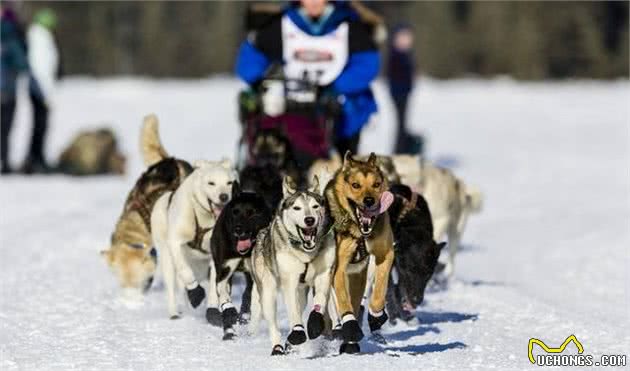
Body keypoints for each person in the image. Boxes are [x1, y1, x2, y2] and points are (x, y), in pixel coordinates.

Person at [235, 0, 380, 157]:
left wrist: (337, 87)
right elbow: (250, 59)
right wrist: (259, 82)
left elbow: (367, 65)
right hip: (290, 105)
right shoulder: (280, 24)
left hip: (340, 109)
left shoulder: (350, 26)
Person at [22, 8, 59, 174]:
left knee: (41, 124)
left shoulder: (40, 36)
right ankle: (35, 158)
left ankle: (37, 156)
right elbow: (40, 66)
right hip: (39, 87)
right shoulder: (39, 37)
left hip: (40, 86)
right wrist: (45, 92)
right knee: (40, 125)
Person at [0, 4, 28, 174]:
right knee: (5, 128)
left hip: (6, 88)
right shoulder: (10, 33)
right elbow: (21, 62)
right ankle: (5, 162)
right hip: (7, 89)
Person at [387, 24, 423, 154]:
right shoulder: (396, 55)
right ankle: (399, 150)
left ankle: (402, 149)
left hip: (405, 92)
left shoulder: (407, 55)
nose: (406, 40)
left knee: (403, 123)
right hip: (399, 93)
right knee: (401, 124)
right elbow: (396, 76)